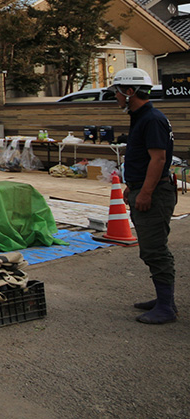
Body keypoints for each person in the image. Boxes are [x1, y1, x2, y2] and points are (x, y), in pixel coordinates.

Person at [109, 68, 178, 324]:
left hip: (156, 192)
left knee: (155, 249)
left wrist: (146, 192)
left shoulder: (152, 119)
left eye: (116, 92)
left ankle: (166, 307)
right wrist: (133, 186)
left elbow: (158, 159)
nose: (115, 97)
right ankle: (164, 300)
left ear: (129, 92)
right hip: (144, 187)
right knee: (152, 248)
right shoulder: (141, 117)